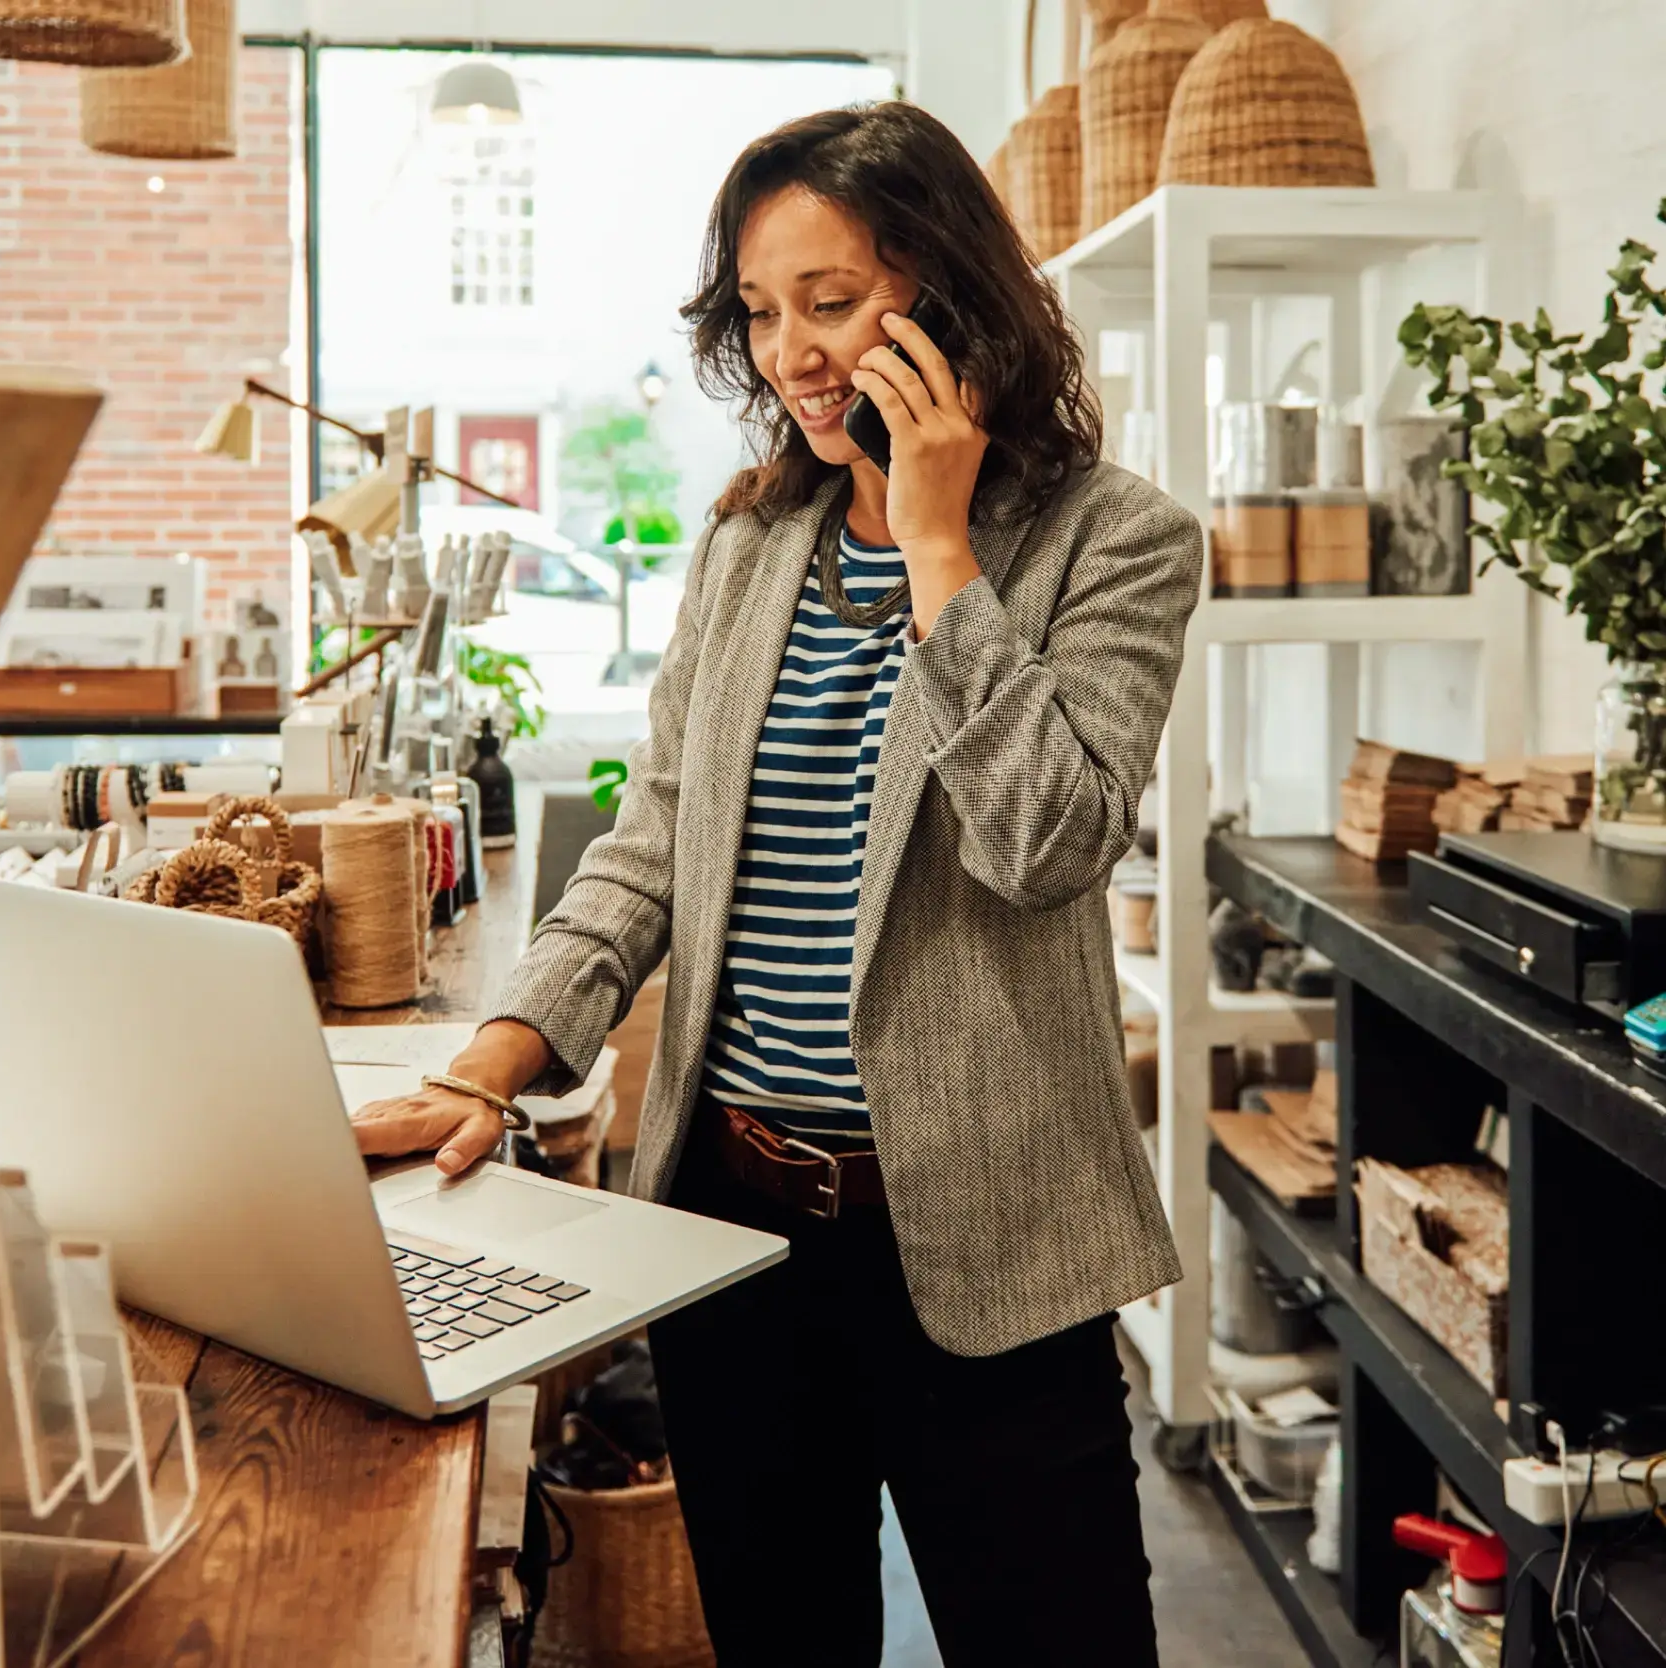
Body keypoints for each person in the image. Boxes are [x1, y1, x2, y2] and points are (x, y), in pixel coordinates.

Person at [353, 101, 1198, 1668]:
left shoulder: (1114, 540)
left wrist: (940, 553)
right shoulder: (749, 551)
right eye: (761, 310)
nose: (794, 352)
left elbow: (1050, 842)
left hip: (995, 1252)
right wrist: (501, 1054)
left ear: (948, 296)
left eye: (832, 301)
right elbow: (650, 843)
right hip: (736, 1245)